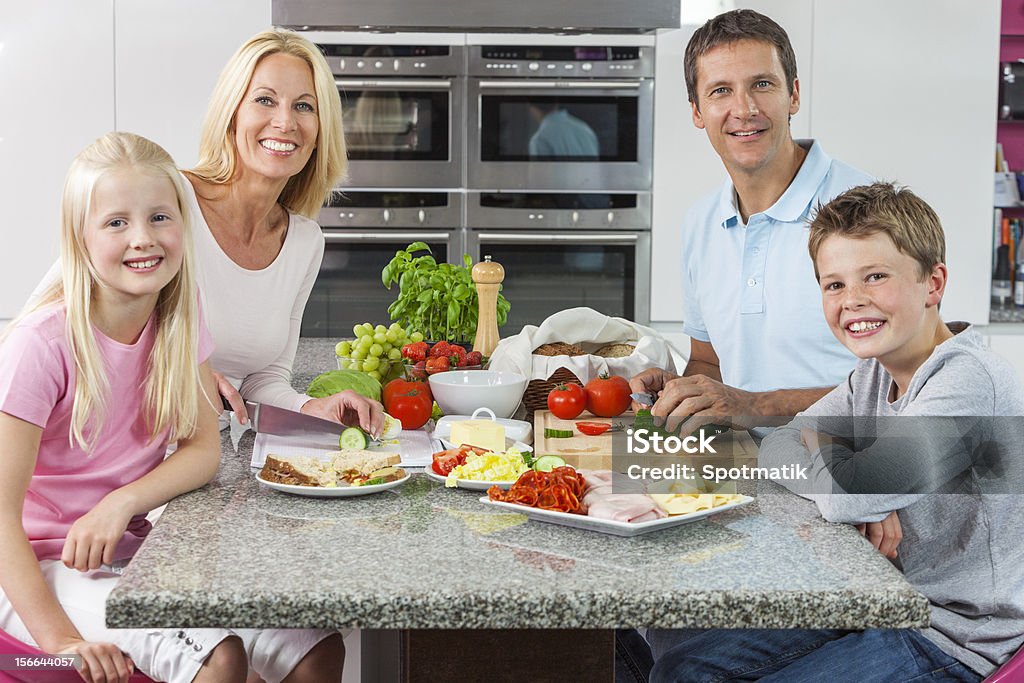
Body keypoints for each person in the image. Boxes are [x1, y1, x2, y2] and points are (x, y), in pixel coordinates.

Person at [0, 132, 344, 683]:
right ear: (80, 237)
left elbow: (203, 449)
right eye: (116, 223)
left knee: (311, 643)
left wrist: (121, 503)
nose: (143, 239)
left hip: (133, 550)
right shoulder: (41, 346)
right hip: (43, 567)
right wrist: (59, 639)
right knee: (219, 655)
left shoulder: (178, 322)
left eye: (160, 218)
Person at [648, 182, 1024, 682]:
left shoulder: (967, 380)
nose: (854, 301)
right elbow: (779, 446)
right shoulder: (873, 373)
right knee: (683, 662)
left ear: (933, 284)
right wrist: (852, 476)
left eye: (875, 276)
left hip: (961, 640)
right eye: (835, 285)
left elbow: (848, 495)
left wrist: (855, 482)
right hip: (890, 598)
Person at [30, 30, 384, 436]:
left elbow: (262, 381)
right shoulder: (168, 200)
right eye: (265, 100)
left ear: (322, 129)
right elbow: (46, 320)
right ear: (232, 112)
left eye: (304, 106)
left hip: (198, 457)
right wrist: (184, 373)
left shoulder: (304, 242)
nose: (285, 122)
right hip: (108, 447)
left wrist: (313, 407)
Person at [627, 9, 873, 435]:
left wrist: (755, 405)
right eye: (721, 90)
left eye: (762, 84)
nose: (744, 109)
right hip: (749, 469)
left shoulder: (869, 213)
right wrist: (686, 393)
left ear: (793, 95)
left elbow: (906, 386)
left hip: (854, 478)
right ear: (697, 111)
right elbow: (712, 361)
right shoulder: (702, 223)